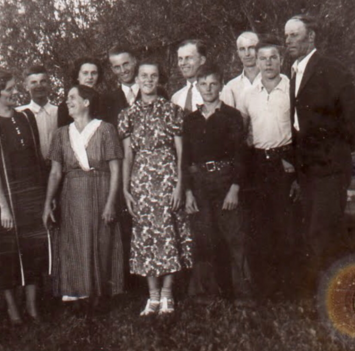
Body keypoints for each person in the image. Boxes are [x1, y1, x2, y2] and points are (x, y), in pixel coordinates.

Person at [285, 15, 355, 287]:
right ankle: (322, 287)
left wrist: (338, 151)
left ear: (311, 37)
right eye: (286, 36)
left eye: (295, 35)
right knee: (313, 229)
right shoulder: (292, 72)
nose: (289, 41)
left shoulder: (332, 69)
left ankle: (331, 291)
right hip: (307, 168)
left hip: (329, 167)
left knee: (324, 230)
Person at [118, 60, 192, 316]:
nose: (148, 80)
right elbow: (127, 155)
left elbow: (181, 152)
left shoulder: (172, 110)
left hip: (168, 177)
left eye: (154, 76)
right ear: (137, 79)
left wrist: (180, 185)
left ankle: (168, 293)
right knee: (146, 236)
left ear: (159, 80)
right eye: (144, 76)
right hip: (141, 182)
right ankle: (152, 296)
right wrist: (126, 189)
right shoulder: (128, 114)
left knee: (170, 233)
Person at [0, 70, 48, 324]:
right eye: (8, 89)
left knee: (34, 250)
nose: (14, 93)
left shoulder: (26, 117)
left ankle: (31, 306)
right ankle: (12, 309)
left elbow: (36, 158)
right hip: (6, 198)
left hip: (32, 195)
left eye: (14, 88)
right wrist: (3, 208)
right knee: (8, 254)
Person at [42, 85, 125, 306]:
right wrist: (48, 202)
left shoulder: (106, 129)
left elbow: (116, 170)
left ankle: (101, 293)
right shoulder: (60, 134)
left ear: (86, 102)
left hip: (101, 189)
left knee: (101, 240)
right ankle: (77, 292)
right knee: (74, 240)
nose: (67, 102)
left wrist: (111, 203)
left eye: (72, 98)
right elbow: (55, 172)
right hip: (72, 194)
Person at [182, 64, 253, 305]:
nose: (208, 88)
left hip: (225, 180)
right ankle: (206, 294)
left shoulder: (232, 116)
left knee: (235, 237)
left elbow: (240, 155)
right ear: (197, 87)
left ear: (221, 85)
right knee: (203, 238)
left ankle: (243, 295)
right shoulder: (190, 120)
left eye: (213, 83)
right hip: (199, 182)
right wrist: (188, 192)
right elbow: (186, 158)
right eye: (203, 84)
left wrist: (235, 188)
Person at [239, 38, 297, 298]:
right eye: (263, 58)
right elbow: (242, 133)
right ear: (256, 61)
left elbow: (302, 131)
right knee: (261, 228)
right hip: (259, 164)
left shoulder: (293, 89)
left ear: (281, 60)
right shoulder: (248, 96)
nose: (268, 63)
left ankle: (289, 288)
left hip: (286, 162)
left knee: (287, 226)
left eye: (273, 57)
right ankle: (265, 290)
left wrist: (294, 163)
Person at [16, 65, 59, 162]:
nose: (39, 86)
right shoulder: (19, 114)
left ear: (49, 84)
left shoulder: (59, 112)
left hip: (57, 169)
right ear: (26, 86)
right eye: (33, 82)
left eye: (43, 81)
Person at [57, 57, 105, 127]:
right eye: (85, 73)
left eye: (94, 73)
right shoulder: (66, 106)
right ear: (77, 76)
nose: (90, 77)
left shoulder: (105, 101)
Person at [221, 31, 261, 113]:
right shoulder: (231, 87)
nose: (247, 54)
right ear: (238, 53)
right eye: (242, 49)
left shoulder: (272, 81)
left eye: (251, 48)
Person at [171, 40, 207, 113]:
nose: (183, 63)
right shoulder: (176, 98)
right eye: (180, 59)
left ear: (202, 60)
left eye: (188, 58)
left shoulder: (217, 92)